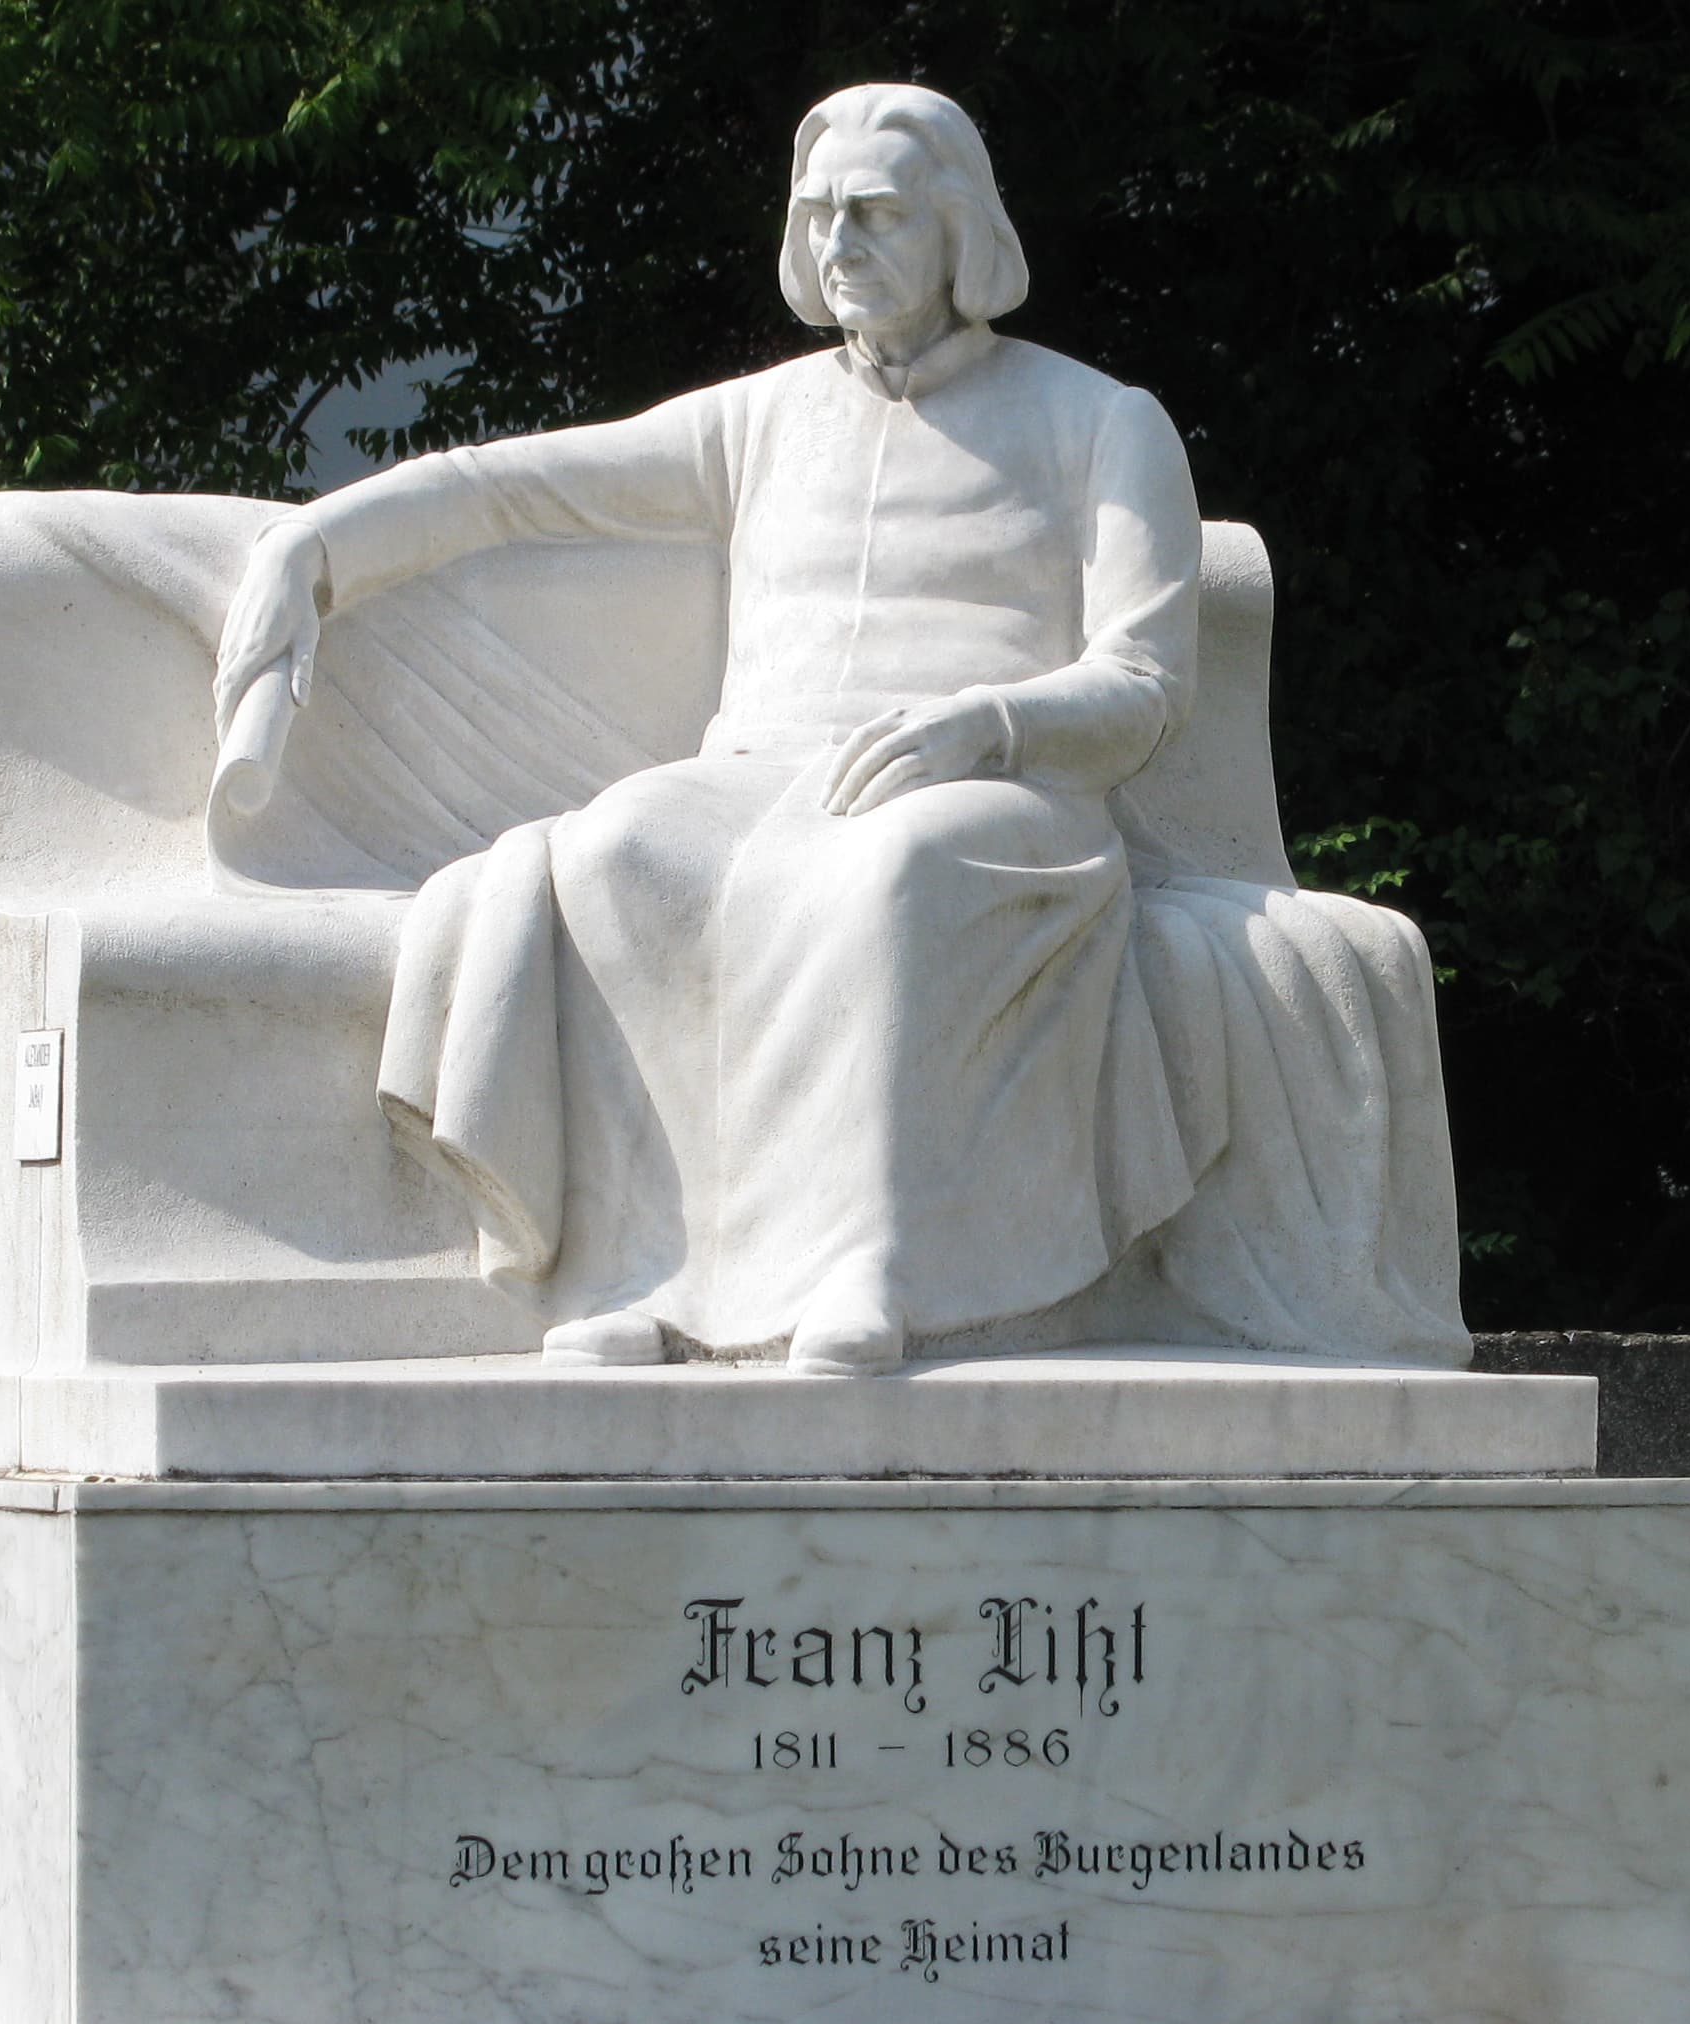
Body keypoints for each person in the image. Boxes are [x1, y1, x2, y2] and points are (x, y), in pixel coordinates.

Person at [216, 83, 1468, 1374]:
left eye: (873, 214)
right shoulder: (758, 417)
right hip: (759, 776)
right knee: (615, 855)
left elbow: (1145, 682)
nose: (839, 244)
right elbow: (515, 484)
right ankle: (655, 1279)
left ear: (961, 230)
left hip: (1001, 782)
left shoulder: (1102, 420)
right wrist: (318, 540)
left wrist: (986, 724)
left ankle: (872, 1268)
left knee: (894, 876)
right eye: (818, 216)